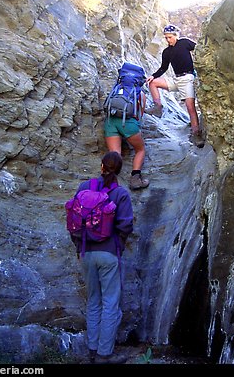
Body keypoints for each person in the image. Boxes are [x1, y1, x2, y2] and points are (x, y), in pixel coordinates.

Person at [71, 151, 133, 364]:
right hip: (108, 254)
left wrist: (79, 247)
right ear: (119, 170)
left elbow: (73, 220)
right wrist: (118, 246)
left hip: (86, 253)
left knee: (94, 301)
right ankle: (104, 354)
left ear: (101, 167)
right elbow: (125, 225)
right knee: (110, 303)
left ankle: (91, 349)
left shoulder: (83, 188)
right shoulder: (121, 194)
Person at [145, 24, 206, 148]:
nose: (168, 40)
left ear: (176, 36)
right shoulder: (166, 52)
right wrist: (153, 75)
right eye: (166, 38)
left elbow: (199, 49)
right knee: (153, 83)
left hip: (187, 78)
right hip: (176, 79)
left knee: (190, 107)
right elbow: (163, 68)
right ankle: (158, 106)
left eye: (170, 37)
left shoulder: (184, 43)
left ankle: (196, 133)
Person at [104, 104, 150, 190]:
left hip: (110, 122)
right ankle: (135, 179)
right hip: (128, 123)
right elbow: (140, 113)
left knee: (114, 155)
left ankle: (108, 183)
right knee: (140, 150)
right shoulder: (138, 92)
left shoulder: (116, 91)